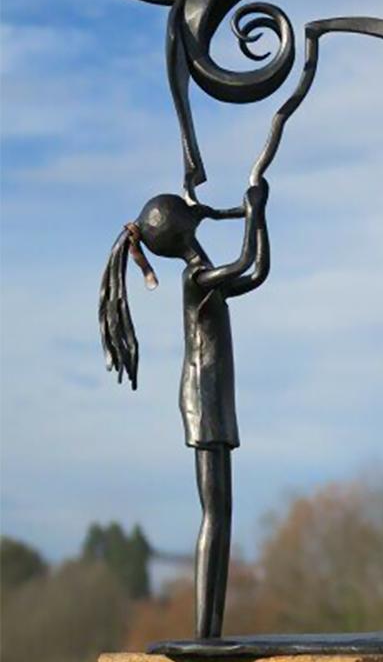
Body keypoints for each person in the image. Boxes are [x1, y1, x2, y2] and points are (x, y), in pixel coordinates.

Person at [99, 179, 269, 638]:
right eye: (190, 210)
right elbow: (245, 262)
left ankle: (210, 630)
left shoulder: (205, 273)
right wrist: (254, 211)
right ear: (181, 229)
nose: (201, 210)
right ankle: (204, 633)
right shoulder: (195, 277)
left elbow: (257, 273)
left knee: (223, 510)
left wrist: (260, 215)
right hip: (203, 397)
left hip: (215, 396)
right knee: (214, 511)